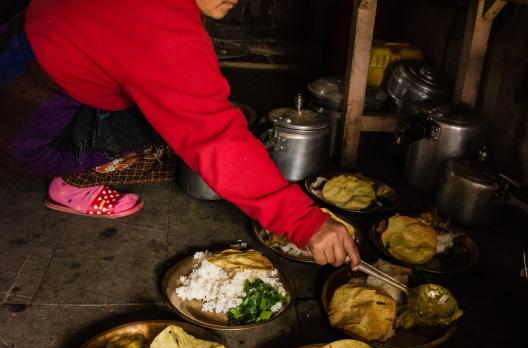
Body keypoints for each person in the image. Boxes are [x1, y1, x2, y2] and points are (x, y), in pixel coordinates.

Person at [0, 0, 360, 269]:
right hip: (22, 131)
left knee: (176, 105)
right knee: (168, 129)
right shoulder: (165, 34)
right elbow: (215, 139)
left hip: (17, 43)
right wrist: (303, 221)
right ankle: (71, 183)